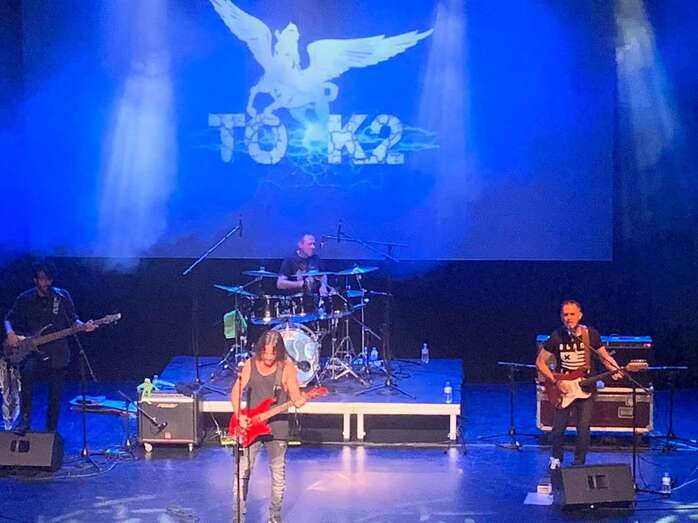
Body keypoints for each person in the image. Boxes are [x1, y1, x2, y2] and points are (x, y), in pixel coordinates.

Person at [4, 261, 96, 433]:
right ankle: (24, 422)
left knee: (55, 393)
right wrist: (10, 333)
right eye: (42, 279)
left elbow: (73, 319)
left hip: (58, 351)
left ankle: (50, 431)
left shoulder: (61, 296)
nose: (46, 283)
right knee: (27, 379)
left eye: (48, 279)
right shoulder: (25, 298)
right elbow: (9, 319)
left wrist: (84, 326)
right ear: (35, 280)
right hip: (32, 351)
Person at [230, 330, 306, 523]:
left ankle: (274, 516)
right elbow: (235, 392)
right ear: (260, 350)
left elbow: (295, 396)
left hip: (277, 427)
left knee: (278, 474)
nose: (269, 357)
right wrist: (239, 416)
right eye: (266, 352)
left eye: (273, 353)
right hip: (251, 426)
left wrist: (299, 400)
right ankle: (238, 517)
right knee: (242, 473)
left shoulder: (287, 368)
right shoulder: (250, 364)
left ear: (279, 352)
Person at [536, 300, 622, 469]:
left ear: (580, 315)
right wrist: (555, 381)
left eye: (572, 314)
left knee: (583, 429)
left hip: (586, 388)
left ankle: (579, 463)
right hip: (563, 389)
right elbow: (540, 363)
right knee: (558, 429)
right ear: (561, 317)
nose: (568, 318)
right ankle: (556, 459)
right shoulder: (557, 336)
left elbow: (605, 357)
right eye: (565, 315)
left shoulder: (590, 334)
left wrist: (615, 369)